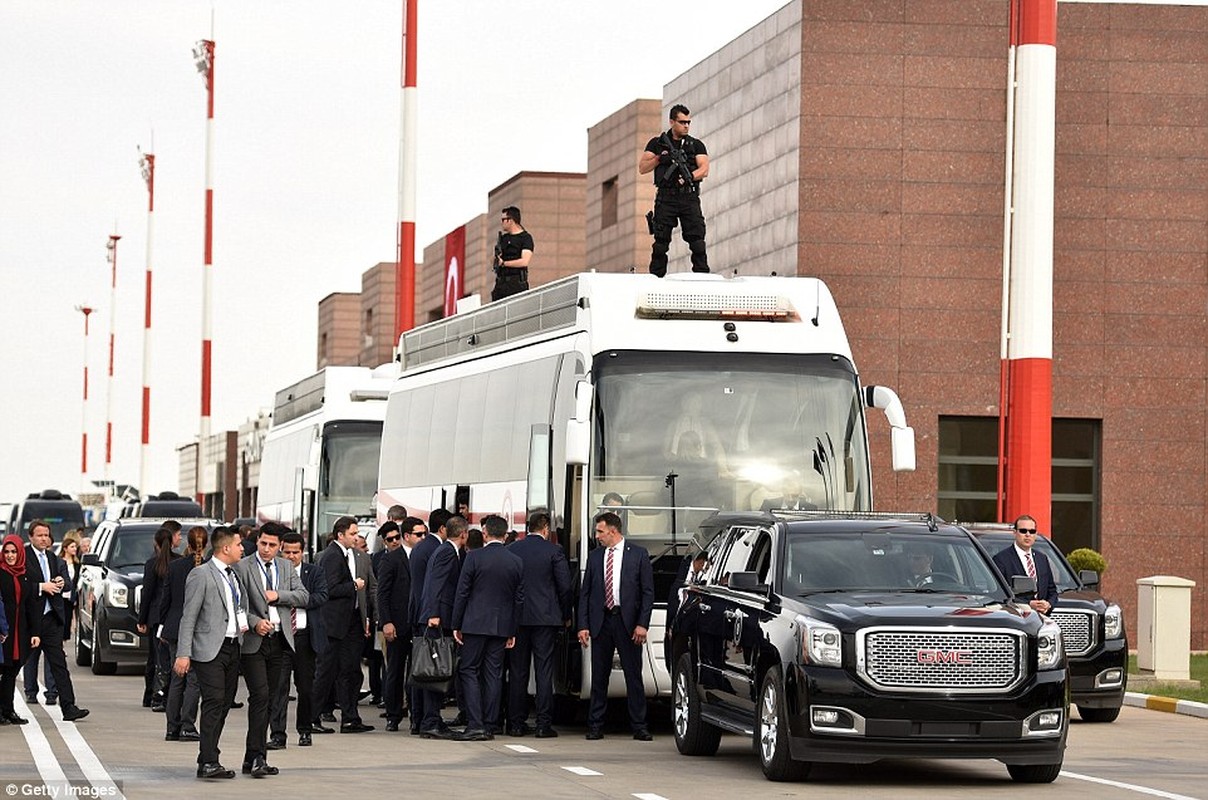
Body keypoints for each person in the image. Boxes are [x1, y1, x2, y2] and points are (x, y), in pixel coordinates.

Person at [174, 526, 248, 780]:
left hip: (232, 647)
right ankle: (208, 761)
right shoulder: (201, 575)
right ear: (226, 548)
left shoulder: (233, 574)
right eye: (239, 544)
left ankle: (207, 755)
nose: (243, 548)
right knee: (214, 702)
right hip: (209, 651)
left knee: (224, 704)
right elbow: (188, 617)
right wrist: (183, 653)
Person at [577, 511, 654, 741]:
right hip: (602, 622)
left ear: (613, 530)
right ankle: (595, 725)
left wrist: (642, 624)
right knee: (599, 677)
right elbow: (586, 593)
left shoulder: (638, 555)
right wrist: (583, 625)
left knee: (633, 676)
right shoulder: (595, 557)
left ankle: (639, 726)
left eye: (600, 531)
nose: (597, 536)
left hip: (627, 622)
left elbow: (647, 592)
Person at [452, 514, 524, 741]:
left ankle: (475, 723)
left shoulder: (473, 558)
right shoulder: (515, 561)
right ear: (505, 534)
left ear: (484, 533)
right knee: (494, 673)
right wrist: (512, 630)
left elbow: (462, 592)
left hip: (474, 623)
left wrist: (457, 623)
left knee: (469, 670)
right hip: (501, 626)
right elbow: (518, 599)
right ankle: (490, 724)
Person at [506, 510, 571, 738]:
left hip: (518, 619)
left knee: (518, 671)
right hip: (546, 619)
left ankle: (516, 723)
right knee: (544, 671)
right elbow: (564, 587)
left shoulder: (512, 549)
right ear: (545, 529)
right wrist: (566, 614)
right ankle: (543, 724)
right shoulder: (554, 551)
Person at [310, 516, 374, 734]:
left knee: (351, 670)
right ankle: (312, 718)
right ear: (340, 535)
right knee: (326, 671)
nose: (356, 538)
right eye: (353, 534)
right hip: (334, 624)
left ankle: (350, 718)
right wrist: (353, 586)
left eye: (357, 534)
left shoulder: (347, 554)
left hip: (351, 622)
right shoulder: (332, 556)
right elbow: (330, 589)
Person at [23, 521, 89, 722]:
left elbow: (67, 581)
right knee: (20, 662)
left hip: (52, 619)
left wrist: (60, 582)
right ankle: (17, 699)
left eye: (47, 535)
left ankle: (68, 706)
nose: (44, 538)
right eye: (40, 535)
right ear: (31, 537)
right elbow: (20, 585)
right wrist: (42, 587)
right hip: (30, 619)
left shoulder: (54, 559)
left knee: (58, 664)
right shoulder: (24, 558)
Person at [270, 531, 327, 748]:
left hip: (305, 637)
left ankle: (305, 729)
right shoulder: (274, 573)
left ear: (303, 552)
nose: (291, 556)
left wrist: (294, 600)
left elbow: (322, 595)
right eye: (287, 552)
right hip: (282, 637)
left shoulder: (314, 572)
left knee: (306, 688)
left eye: (296, 552)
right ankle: (277, 734)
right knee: (279, 688)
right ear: (281, 550)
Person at [639, 103, 710, 277]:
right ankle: (656, 278)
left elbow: (704, 169)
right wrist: (659, 158)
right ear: (672, 122)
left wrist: (688, 177)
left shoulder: (695, 145)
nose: (686, 125)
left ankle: (702, 277)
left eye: (688, 122)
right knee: (660, 243)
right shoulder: (657, 143)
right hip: (666, 198)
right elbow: (642, 167)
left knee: (697, 242)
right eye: (682, 122)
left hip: (688, 198)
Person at [416, 513, 468, 738]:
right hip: (437, 618)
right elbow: (435, 584)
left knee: (437, 671)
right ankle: (430, 721)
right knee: (435, 671)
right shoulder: (447, 552)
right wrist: (434, 613)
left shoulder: (446, 550)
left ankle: (432, 719)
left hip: (437, 616)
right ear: (464, 534)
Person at [160, 526, 208, 742]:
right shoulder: (208, 569)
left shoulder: (175, 566)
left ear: (187, 544)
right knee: (194, 680)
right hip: (197, 629)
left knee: (176, 679)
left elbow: (165, 600)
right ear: (205, 545)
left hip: (174, 627)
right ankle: (188, 725)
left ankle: (172, 728)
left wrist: (163, 625)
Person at [376, 517, 418, 732]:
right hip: (397, 624)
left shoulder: (426, 557)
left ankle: (416, 715)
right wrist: (387, 622)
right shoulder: (391, 560)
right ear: (407, 536)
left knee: (418, 671)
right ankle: (393, 715)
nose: (422, 539)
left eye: (424, 535)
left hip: (418, 625)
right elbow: (382, 594)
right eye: (418, 535)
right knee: (395, 670)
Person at [1, 534, 41, 725]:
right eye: (7, 552)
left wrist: (35, 632)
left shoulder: (26, 573)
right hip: (4, 630)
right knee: (3, 668)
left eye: (13, 551)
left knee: (13, 670)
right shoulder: (0, 572)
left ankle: (8, 710)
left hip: (21, 630)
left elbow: (32, 604)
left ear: (20, 552)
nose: (10, 556)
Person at [139, 525, 179, 711]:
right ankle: (167, 695)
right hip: (172, 617)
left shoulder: (151, 564)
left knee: (155, 658)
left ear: (155, 543)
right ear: (172, 542)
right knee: (170, 657)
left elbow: (147, 594)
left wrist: (142, 620)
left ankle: (152, 696)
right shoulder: (179, 562)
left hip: (155, 617)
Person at [993, 515, 1059, 614]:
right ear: (1015, 533)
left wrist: (1048, 604)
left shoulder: (1042, 558)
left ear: (1036, 534)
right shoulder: (1001, 559)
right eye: (1023, 531)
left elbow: (1052, 590)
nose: (1028, 535)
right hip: (1015, 616)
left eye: (1032, 531)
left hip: (1042, 618)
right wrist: (1028, 604)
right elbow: (1000, 593)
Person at [490, 206, 534, 302]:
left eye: (503, 220)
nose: (502, 223)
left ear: (510, 220)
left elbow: (524, 261)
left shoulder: (525, 238)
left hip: (516, 283)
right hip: (501, 283)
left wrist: (504, 263)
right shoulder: (503, 239)